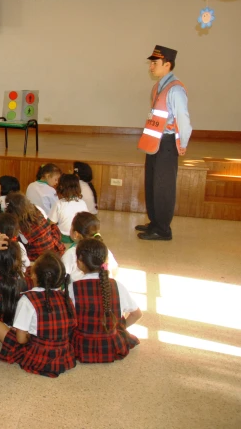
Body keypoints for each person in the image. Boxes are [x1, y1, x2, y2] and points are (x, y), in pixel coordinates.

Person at [0, 252, 77, 378]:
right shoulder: (65, 296)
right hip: (63, 353)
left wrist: (28, 334)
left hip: (37, 355)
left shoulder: (28, 299)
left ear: (34, 276)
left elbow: (21, 339)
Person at [137, 45, 191, 241]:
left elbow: (183, 120)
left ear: (167, 64)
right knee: (152, 183)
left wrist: (182, 143)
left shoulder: (175, 89)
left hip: (167, 144)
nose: (151, 66)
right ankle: (155, 222)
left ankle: (163, 229)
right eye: (151, 63)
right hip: (154, 143)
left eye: (154, 63)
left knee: (163, 187)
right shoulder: (158, 86)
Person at [69, 239, 141, 363]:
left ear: (79, 263)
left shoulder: (73, 287)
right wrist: (121, 328)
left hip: (82, 346)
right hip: (112, 344)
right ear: (105, 261)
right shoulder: (117, 285)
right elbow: (137, 314)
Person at [48, 174, 88, 243]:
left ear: (60, 187)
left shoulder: (59, 203)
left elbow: (51, 224)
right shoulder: (83, 203)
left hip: (62, 238)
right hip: (78, 237)